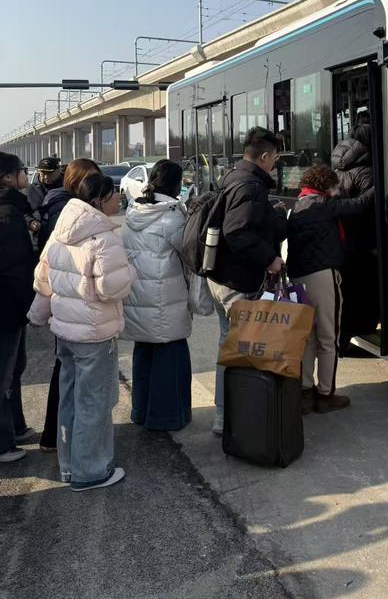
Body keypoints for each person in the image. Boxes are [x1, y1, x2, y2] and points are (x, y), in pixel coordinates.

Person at [29, 173, 134, 490]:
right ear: (99, 200)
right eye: (113, 194)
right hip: (94, 334)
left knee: (70, 400)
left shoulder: (61, 231)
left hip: (65, 332)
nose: (118, 199)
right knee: (95, 404)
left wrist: (37, 315)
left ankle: (70, 466)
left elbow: (43, 279)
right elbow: (112, 289)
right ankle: (91, 472)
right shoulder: (103, 238)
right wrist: (129, 269)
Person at [207, 127, 288, 436]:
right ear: (265, 156)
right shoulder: (252, 186)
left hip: (220, 277)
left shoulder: (232, 176)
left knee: (229, 346)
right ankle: (233, 419)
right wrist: (270, 259)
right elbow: (238, 231)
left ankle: (226, 415)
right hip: (237, 281)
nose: (275, 163)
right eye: (275, 158)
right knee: (240, 352)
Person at [288, 165, 374, 414]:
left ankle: (305, 393)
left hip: (298, 279)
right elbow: (358, 204)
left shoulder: (298, 207)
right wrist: (382, 182)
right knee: (328, 338)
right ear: (326, 185)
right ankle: (326, 394)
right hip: (323, 277)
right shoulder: (324, 205)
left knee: (307, 338)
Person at [121, 160, 192, 431]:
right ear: (176, 184)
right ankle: (166, 417)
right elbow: (190, 252)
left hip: (139, 297)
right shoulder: (172, 215)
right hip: (165, 298)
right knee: (169, 357)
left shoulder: (134, 210)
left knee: (144, 354)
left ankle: (141, 411)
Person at [36, 158, 100, 453]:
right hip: (72, 304)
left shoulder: (59, 205)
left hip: (66, 304)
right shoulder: (69, 211)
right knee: (71, 377)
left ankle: (56, 437)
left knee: (65, 373)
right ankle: (63, 440)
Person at [0, 154, 35, 463]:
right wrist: (32, 306)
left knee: (14, 369)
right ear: (8, 177)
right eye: (22, 170)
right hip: (7, 307)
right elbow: (15, 269)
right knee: (4, 373)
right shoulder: (8, 214)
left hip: (11, 307)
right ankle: (3, 443)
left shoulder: (14, 208)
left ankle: (16, 427)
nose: (26, 174)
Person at [331, 122, 377, 352]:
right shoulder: (366, 172)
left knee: (347, 292)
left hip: (343, 241)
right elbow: (371, 210)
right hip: (363, 243)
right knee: (363, 292)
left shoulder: (338, 167)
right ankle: (350, 336)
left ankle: (342, 338)